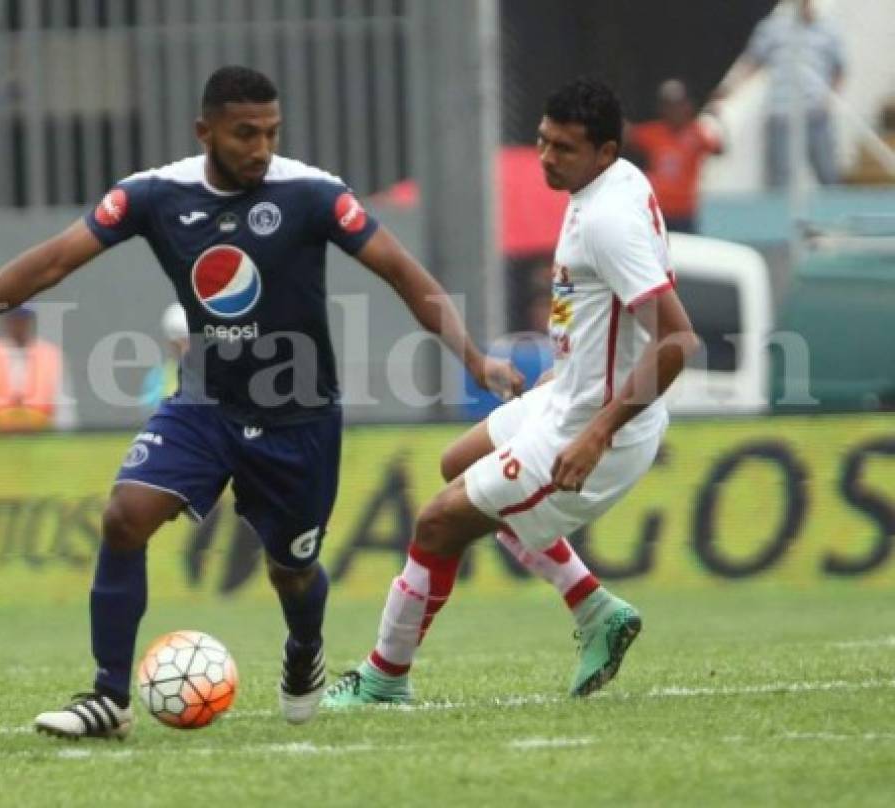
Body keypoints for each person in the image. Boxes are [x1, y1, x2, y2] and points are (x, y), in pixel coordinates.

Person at [0, 66, 525, 739]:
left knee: (291, 569)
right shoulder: (154, 196)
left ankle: (304, 649)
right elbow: (52, 262)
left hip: (298, 415)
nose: (260, 147)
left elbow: (403, 272)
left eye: (271, 133)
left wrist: (474, 357)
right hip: (206, 401)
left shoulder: (312, 194)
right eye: (245, 133)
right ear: (206, 132)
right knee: (124, 516)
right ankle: (109, 697)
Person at [322, 78, 701, 708]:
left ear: (605, 152)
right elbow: (610, 312)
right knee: (457, 465)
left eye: (565, 149)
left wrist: (596, 433)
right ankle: (593, 608)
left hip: (597, 429)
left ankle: (385, 675)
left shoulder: (608, 219)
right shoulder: (611, 184)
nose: (548, 158)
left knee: (439, 522)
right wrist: (575, 365)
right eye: (543, 142)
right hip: (572, 397)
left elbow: (678, 341)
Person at [715, 0, 845, 188]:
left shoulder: (828, 29)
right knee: (779, 180)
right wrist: (728, 89)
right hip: (781, 113)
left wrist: (829, 100)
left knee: (828, 175)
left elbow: (840, 69)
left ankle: (834, 215)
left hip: (815, 113)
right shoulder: (773, 28)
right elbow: (752, 63)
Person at [627, 79, 723, 233]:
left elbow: (718, 149)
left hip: (685, 212)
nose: (674, 111)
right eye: (669, 106)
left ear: (687, 106)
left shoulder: (697, 133)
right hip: (658, 211)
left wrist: (717, 116)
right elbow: (627, 134)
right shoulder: (654, 132)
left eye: (678, 105)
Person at [0, 305, 76, 433]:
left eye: (22, 319)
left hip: (42, 437)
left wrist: (63, 438)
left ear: (30, 321)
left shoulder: (51, 354)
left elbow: (63, 407)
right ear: (5, 321)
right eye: (13, 319)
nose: (18, 324)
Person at [138, 303, 189, 412]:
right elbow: (151, 415)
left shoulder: (215, 375)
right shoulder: (157, 377)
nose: (186, 348)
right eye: (180, 342)